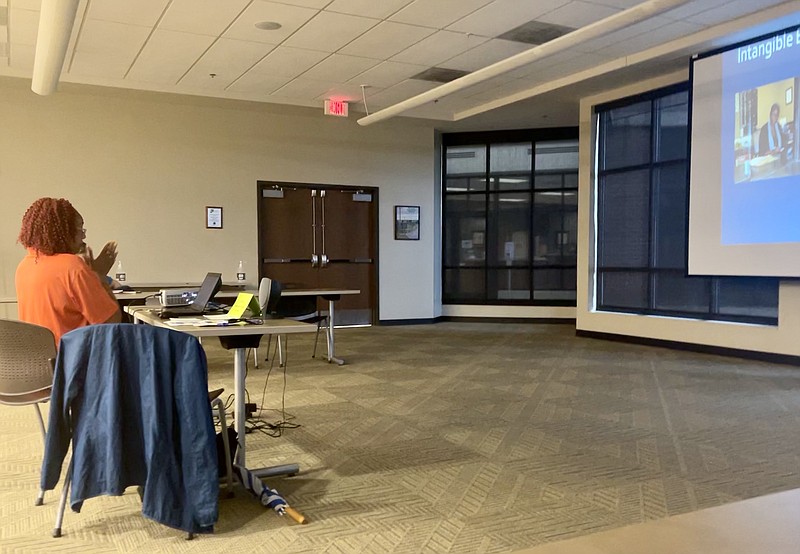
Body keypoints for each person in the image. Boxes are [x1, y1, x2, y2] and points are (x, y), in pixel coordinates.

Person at [15, 197, 121, 345]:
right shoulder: (72, 266)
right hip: (75, 361)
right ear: (63, 230)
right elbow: (111, 323)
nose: (83, 235)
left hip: (42, 364)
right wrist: (99, 276)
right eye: (79, 228)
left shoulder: (24, 267)